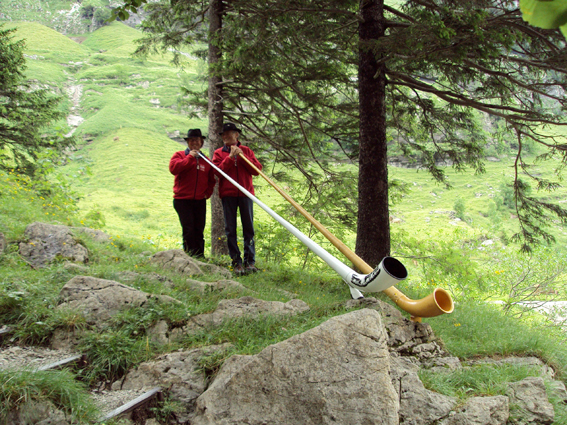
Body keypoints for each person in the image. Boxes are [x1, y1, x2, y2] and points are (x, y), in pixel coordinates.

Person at [213, 122, 262, 276]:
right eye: (224, 135)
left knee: (249, 228)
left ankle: (250, 261)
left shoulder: (246, 150)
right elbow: (218, 172)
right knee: (230, 229)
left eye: (229, 134)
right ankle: (236, 262)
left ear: (236, 135)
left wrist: (242, 157)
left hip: (246, 194)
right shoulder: (218, 153)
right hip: (228, 195)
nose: (226, 137)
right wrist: (230, 157)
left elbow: (257, 170)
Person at [169, 128, 216, 258]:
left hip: (199, 200)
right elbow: (174, 169)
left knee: (199, 229)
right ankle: (189, 256)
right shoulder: (179, 155)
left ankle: (200, 256)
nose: (195, 143)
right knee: (188, 229)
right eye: (192, 140)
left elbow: (211, 179)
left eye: (197, 140)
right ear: (188, 142)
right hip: (182, 200)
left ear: (201, 142)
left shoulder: (206, 160)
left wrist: (207, 193)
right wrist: (190, 158)